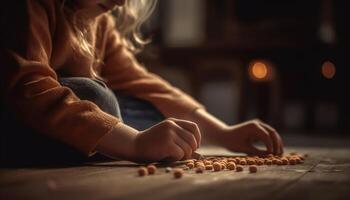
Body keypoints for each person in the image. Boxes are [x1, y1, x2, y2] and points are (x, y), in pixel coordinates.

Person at [0, 0, 283, 165]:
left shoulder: (99, 21)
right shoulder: (30, 6)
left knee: (152, 111)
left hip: (68, 124)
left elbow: (142, 82)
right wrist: (135, 143)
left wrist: (224, 134)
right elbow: (31, 89)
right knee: (99, 99)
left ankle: (112, 139)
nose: (121, 2)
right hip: (17, 121)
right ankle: (117, 140)